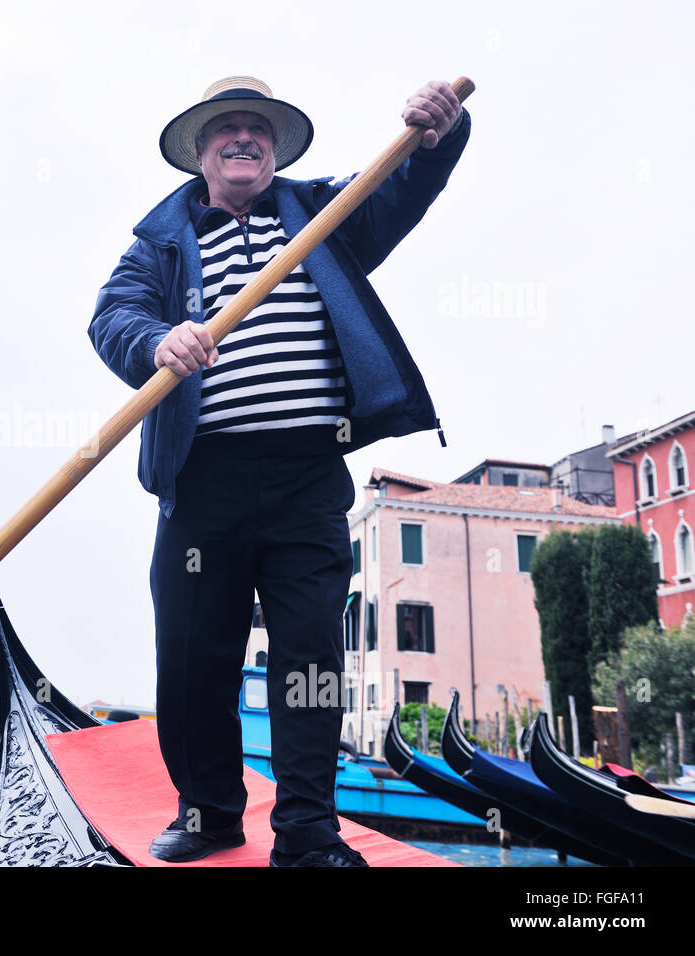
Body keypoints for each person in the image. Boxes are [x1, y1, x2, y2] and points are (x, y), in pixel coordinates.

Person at [87, 76, 469, 866]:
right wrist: (159, 341)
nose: (243, 139)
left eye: (257, 130)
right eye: (226, 128)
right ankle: (209, 813)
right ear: (199, 151)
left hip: (306, 476)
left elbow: (402, 186)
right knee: (195, 658)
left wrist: (440, 134)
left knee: (311, 662)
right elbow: (112, 317)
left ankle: (306, 833)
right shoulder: (158, 243)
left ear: (274, 149)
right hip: (204, 478)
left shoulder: (323, 212)